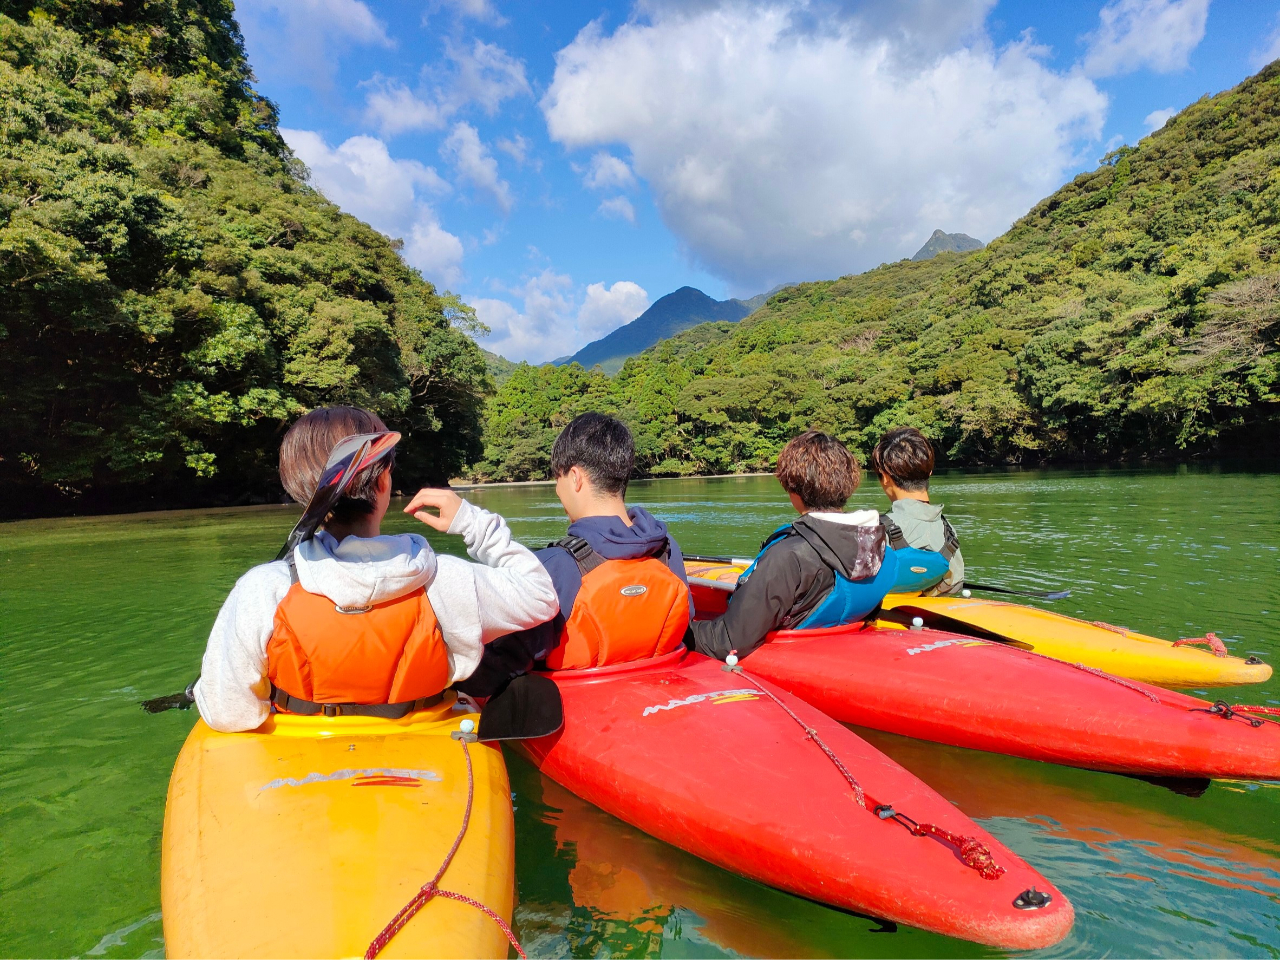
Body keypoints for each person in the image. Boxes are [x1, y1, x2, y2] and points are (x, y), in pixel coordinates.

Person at [194, 405, 559, 732]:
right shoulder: (448, 580)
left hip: (303, 758)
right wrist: (472, 523)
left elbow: (229, 714)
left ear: (300, 492)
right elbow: (542, 597)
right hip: (425, 754)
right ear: (384, 481)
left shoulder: (263, 589)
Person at [458, 413, 690, 697]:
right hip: (655, 692)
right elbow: (685, 618)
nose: (557, 490)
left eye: (558, 478)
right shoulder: (667, 549)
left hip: (577, 710)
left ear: (576, 478)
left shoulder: (554, 566)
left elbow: (495, 670)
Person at [690, 430, 896, 662]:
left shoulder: (788, 556)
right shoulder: (879, 547)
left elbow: (728, 642)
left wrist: (681, 632)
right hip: (838, 644)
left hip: (791, 656)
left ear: (793, 488)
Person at [869, 426, 965, 596]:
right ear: (929, 472)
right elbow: (955, 584)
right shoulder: (948, 530)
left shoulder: (877, 529)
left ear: (884, 477)